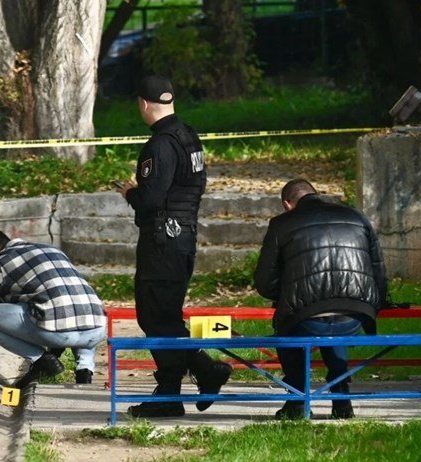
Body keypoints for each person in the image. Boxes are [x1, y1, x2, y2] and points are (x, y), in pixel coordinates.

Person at [115, 76, 232, 418]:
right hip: (183, 237)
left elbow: (150, 199)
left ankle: (178, 389)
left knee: (156, 316)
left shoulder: (160, 144)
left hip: (162, 241)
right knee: (165, 316)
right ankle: (189, 379)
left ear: (143, 104)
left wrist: (130, 193)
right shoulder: (189, 137)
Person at [254, 179, 387, 419]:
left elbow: (264, 282)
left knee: (291, 325)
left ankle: (297, 402)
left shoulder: (281, 224)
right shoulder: (356, 217)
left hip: (306, 318)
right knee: (335, 320)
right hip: (354, 314)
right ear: (316, 193)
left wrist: (288, 293)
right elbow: (377, 269)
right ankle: (341, 399)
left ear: (287, 204)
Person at [0, 230, 107, 388]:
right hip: (97, 329)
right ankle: (84, 371)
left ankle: (42, 360)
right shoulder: (53, 250)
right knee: (81, 308)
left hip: (57, 332)